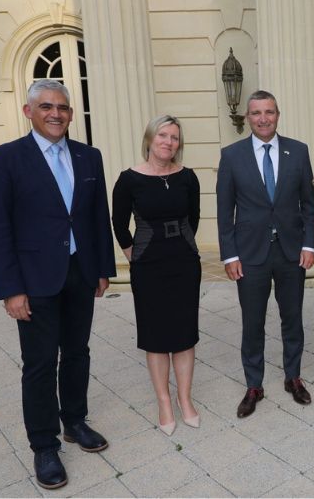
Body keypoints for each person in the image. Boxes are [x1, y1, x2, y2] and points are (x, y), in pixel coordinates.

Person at [0, 79, 115, 490]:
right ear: (29, 112)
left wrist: (102, 269)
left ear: (71, 114)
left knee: (77, 352)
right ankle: (44, 444)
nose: (56, 113)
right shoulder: (5, 159)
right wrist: (11, 288)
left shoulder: (88, 157)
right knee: (39, 364)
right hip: (34, 280)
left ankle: (74, 420)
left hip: (79, 272)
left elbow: (96, 217)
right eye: (46, 107)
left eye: (62, 107)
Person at [216, 90, 314, 418]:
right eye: (257, 113)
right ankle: (254, 385)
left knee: (293, 319)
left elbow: (309, 205)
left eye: (269, 112)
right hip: (250, 255)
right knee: (252, 322)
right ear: (248, 117)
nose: (263, 118)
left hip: (291, 252)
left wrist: (309, 244)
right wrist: (230, 256)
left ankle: (293, 377)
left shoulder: (298, 152)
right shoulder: (232, 156)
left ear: (277, 114)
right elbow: (224, 211)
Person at [111, 115, 201, 436]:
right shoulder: (129, 179)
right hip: (148, 266)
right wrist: (134, 255)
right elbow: (119, 224)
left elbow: (193, 218)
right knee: (156, 337)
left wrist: (183, 247)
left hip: (184, 262)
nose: (168, 142)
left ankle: (185, 398)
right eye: (163, 135)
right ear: (150, 138)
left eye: (174, 137)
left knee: (185, 334)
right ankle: (164, 400)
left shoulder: (188, 177)